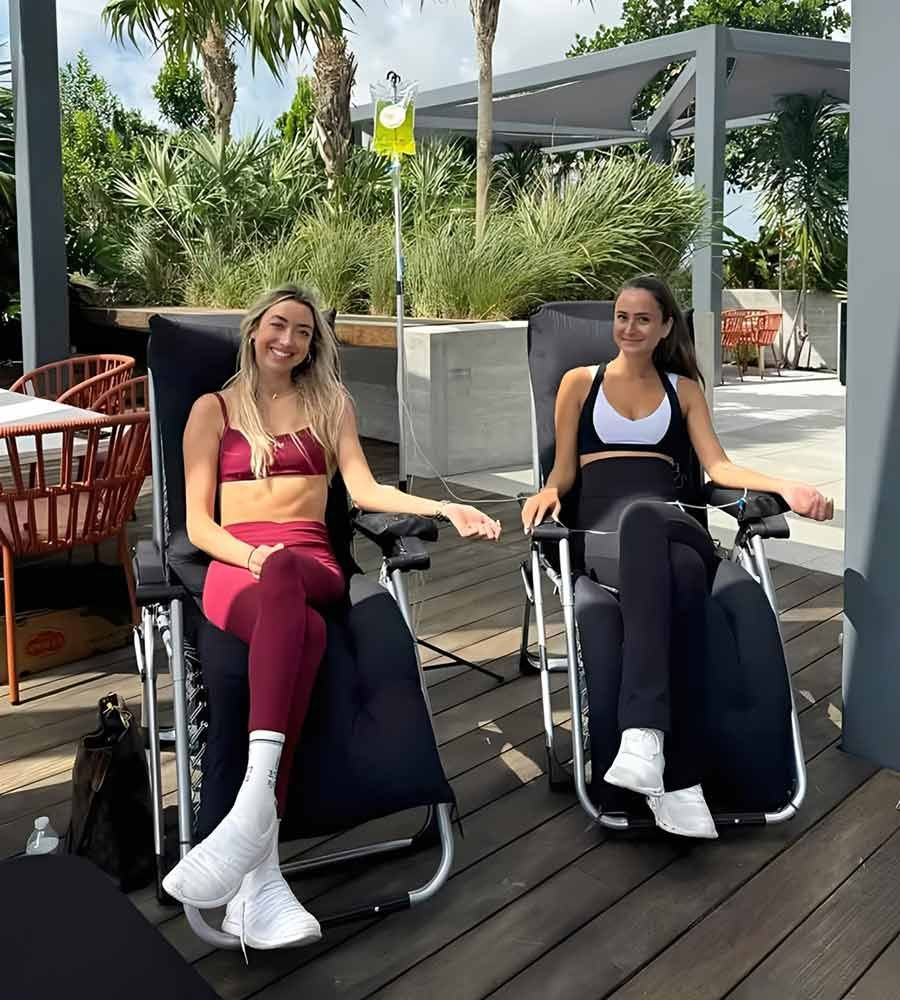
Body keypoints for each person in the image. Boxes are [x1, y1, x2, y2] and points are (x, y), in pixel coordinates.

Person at [162, 285, 502, 949]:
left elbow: (367, 489)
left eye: (303, 333)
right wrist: (255, 556)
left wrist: (443, 508)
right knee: (309, 631)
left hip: (311, 562)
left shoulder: (329, 404)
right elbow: (199, 524)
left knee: (294, 576)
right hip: (239, 568)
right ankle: (260, 875)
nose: (287, 341)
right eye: (277, 326)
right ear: (255, 326)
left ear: (314, 345)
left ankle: (248, 818)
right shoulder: (212, 410)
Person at [521, 275, 833, 841]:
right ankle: (682, 781)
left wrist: (788, 486)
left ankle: (642, 735)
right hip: (606, 537)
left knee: (649, 518)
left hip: (673, 522)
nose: (628, 328)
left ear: (666, 327)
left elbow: (719, 469)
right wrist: (547, 491)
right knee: (683, 576)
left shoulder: (683, 389)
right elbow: (564, 471)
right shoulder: (577, 384)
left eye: (643, 318)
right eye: (621, 316)